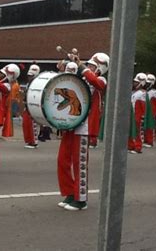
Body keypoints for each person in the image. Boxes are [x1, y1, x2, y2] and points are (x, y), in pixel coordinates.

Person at [57, 52, 109, 211]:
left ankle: (81, 199)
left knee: (79, 163)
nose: (88, 67)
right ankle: (69, 192)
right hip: (71, 123)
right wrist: (62, 71)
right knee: (62, 160)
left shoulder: (101, 80)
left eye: (92, 65)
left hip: (84, 126)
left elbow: (97, 84)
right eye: (88, 65)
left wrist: (82, 67)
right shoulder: (83, 78)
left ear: (100, 68)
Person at [22, 64, 40, 148]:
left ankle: (34, 141)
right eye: (29, 75)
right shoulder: (28, 84)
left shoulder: (37, 83)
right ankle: (28, 141)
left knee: (32, 124)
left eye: (31, 76)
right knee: (26, 124)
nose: (29, 77)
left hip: (32, 106)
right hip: (26, 106)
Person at [129, 73, 147, 154]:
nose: (134, 83)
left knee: (137, 131)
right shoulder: (134, 92)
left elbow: (144, 106)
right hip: (132, 114)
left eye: (136, 82)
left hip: (138, 115)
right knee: (130, 130)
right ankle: (131, 145)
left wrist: (143, 115)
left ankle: (138, 146)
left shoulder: (142, 93)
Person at [144, 73, 156, 148]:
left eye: (148, 83)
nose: (146, 85)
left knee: (150, 128)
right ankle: (145, 140)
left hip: (152, 113)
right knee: (145, 127)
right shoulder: (144, 91)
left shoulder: (155, 92)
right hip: (145, 112)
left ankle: (150, 141)